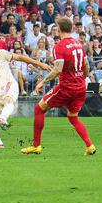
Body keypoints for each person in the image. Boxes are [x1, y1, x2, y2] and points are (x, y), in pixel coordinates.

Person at [21, 17, 97, 156]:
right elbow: (86, 66)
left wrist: (42, 82)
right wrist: (82, 77)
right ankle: (89, 145)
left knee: (39, 109)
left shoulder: (59, 46)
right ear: (71, 28)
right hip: (80, 87)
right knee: (73, 117)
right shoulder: (79, 44)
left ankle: (36, 146)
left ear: (59, 29)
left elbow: (57, 69)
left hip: (66, 88)